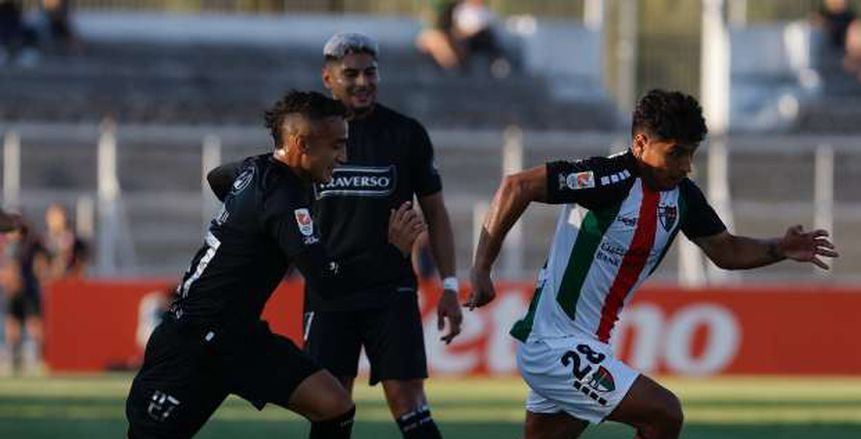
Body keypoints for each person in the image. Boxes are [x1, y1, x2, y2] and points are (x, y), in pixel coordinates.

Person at [469, 89, 839, 439]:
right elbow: (517, 186)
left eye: (691, 154)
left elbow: (725, 250)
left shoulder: (683, 198)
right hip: (554, 346)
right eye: (676, 153)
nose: (686, 166)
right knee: (664, 412)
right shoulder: (608, 178)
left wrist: (779, 248)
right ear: (641, 143)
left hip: (589, 347)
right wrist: (482, 268)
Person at [125, 90, 425, 439]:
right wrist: (392, 251)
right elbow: (327, 282)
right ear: (302, 144)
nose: (343, 157)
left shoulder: (258, 169)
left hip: (240, 337)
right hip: (193, 341)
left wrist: (249, 219)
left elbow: (218, 177)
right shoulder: (283, 198)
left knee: (335, 405)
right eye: (336, 146)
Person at [307, 32, 461, 439]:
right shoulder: (310, 137)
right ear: (328, 78)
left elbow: (436, 212)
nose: (363, 82)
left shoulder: (406, 133)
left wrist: (449, 285)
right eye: (351, 74)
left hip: (391, 288)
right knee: (329, 404)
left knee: (409, 400)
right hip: (328, 291)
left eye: (371, 72)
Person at [1, 218, 48, 374]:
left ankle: (41, 358)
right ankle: (15, 358)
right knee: (13, 324)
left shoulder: (30, 244)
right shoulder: (10, 245)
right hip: (15, 291)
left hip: (28, 290)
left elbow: (39, 267)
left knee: (34, 325)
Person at [43, 203, 89, 279]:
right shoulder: (40, 244)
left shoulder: (77, 245)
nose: (55, 220)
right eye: (53, 216)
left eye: (58, 216)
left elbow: (81, 270)